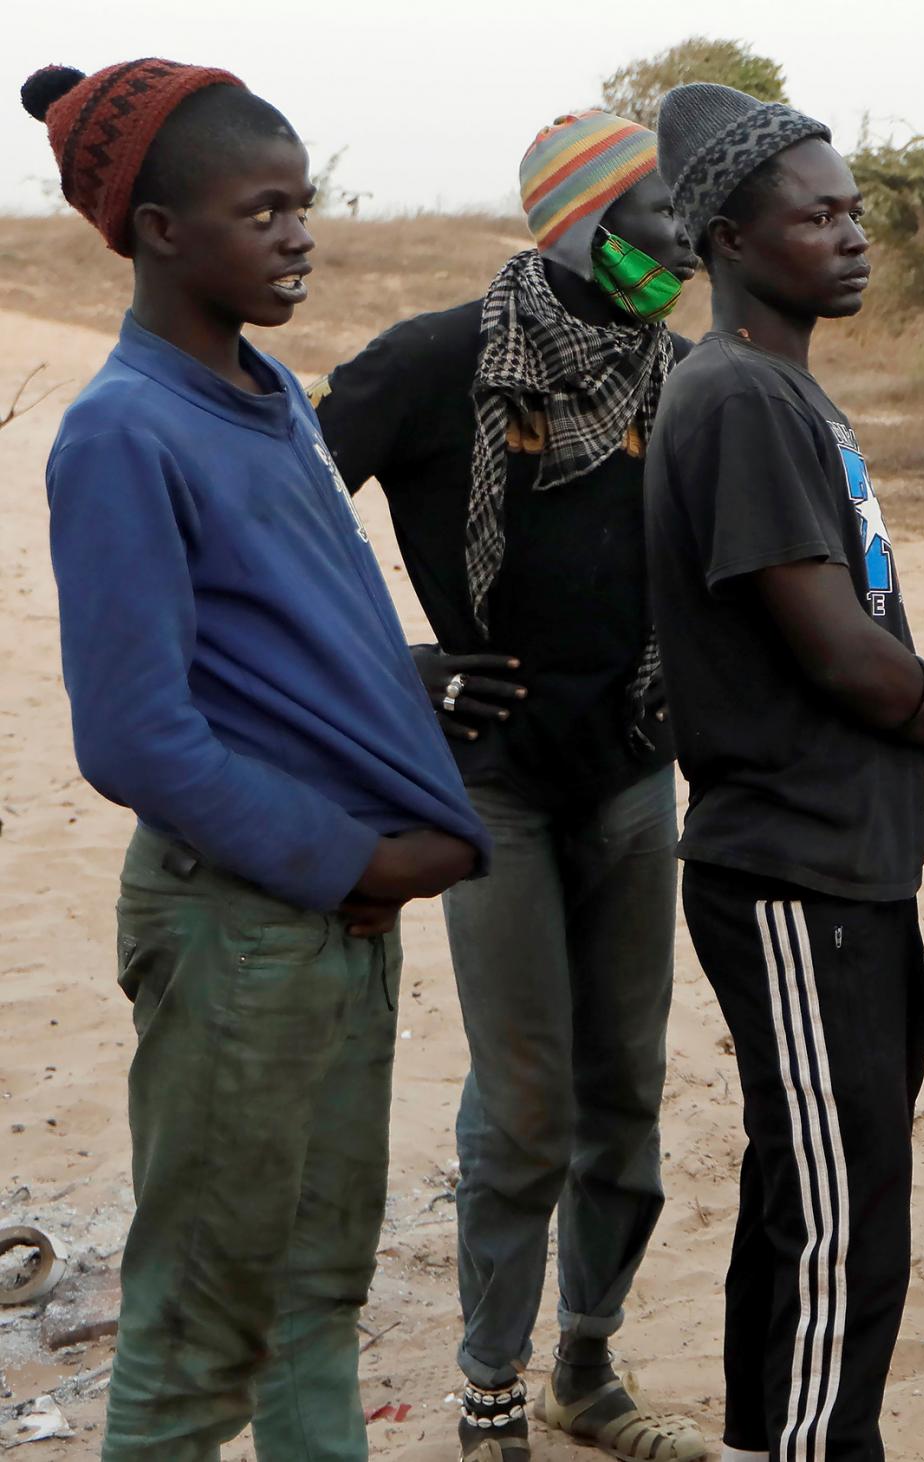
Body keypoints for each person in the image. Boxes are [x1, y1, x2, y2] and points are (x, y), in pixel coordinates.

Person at [25, 59, 488, 1462]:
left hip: (329, 927)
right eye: (261, 208)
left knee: (314, 1300)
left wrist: (396, 696)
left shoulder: (269, 393)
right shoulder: (124, 430)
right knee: (194, 1341)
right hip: (243, 925)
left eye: (306, 203)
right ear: (160, 228)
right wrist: (353, 852)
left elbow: (274, 630)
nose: (300, 233)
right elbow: (135, 732)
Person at [641, 82, 924, 1462]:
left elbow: (876, 636)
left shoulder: (795, 394)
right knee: (841, 1212)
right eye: (818, 217)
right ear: (734, 240)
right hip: (788, 869)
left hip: (849, 862)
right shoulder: (738, 396)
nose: (853, 238)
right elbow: (835, 652)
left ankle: (768, 1437)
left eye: (857, 211)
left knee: (806, 1184)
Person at [311, 109, 708, 1462]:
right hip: (488, 786)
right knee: (527, 1097)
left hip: (632, 777)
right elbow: (280, 524)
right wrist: (396, 663)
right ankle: (491, 1374)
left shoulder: (682, 377)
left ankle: (585, 1370)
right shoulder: (438, 367)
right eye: (665, 212)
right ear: (590, 224)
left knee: (629, 1092)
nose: (686, 236)